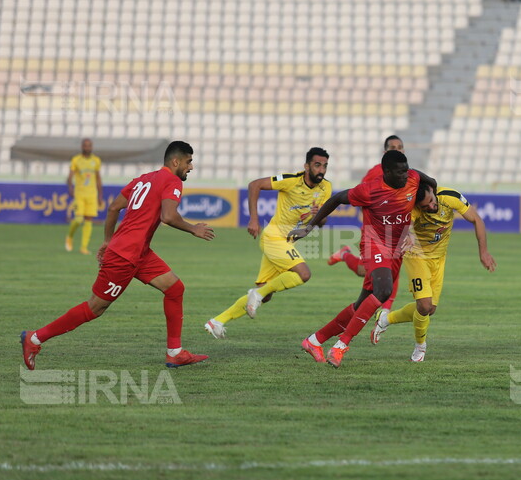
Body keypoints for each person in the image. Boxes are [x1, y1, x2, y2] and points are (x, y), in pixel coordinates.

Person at [21, 141, 215, 370]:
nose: (190, 167)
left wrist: (107, 240)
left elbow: (114, 207)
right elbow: (168, 216)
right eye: (188, 161)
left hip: (138, 252)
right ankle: (34, 339)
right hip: (125, 256)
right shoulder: (172, 180)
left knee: (174, 288)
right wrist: (194, 228)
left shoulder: (143, 179)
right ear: (176, 161)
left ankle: (175, 353)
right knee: (95, 308)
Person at [290, 150, 437, 368]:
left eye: (406, 170)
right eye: (400, 172)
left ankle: (314, 340)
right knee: (384, 290)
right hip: (374, 244)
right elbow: (336, 199)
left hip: (396, 250)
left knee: (362, 306)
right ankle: (340, 346)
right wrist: (309, 227)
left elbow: (431, 182)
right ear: (386, 172)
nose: (405, 175)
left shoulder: (413, 178)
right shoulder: (370, 190)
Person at [204, 148, 331, 338]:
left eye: (325, 166)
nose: (321, 170)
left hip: (287, 242)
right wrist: (254, 220)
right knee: (303, 274)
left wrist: (317, 216)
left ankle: (216, 322)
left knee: (266, 294)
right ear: (307, 166)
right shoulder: (290, 180)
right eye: (317, 165)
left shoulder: (326, 188)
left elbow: (322, 223)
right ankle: (256, 295)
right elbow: (254, 185)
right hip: (274, 237)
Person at [371, 184, 497, 362]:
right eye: (425, 206)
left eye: (431, 201)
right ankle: (420, 347)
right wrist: (409, 234)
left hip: (439, 258)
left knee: (429, 310)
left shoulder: (449, 197)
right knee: (423, 305)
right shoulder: (412, 209)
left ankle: (385, 319)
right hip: (417, 255)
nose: (430, 207)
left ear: (432, 191)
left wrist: (483, 252)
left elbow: (476, 219)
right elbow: (407, 226)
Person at [326, 133, 405, 317]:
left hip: (394, 231)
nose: (397, 150)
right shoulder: (375, 173)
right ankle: (345, 254)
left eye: (400, 147)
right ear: (385, 152)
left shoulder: (405, 173)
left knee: (389, 268)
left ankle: (384, 310)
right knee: (365, 271)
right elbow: (361, 196)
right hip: (375, 231)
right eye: (393, 148)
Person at [65, 138, 104, 255]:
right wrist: (70, 187)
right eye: (85, 146)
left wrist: (100, 195)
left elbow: (98, 178)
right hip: (79, 194)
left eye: (89, 146)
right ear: (82, 147)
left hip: (92, 195)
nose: (87, 148)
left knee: (88, 220)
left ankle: (84, 247)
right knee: (78, 219)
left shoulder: (96, 160)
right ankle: (70, 236)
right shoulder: (76, 160)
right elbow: (70, 176)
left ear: (91, 147)